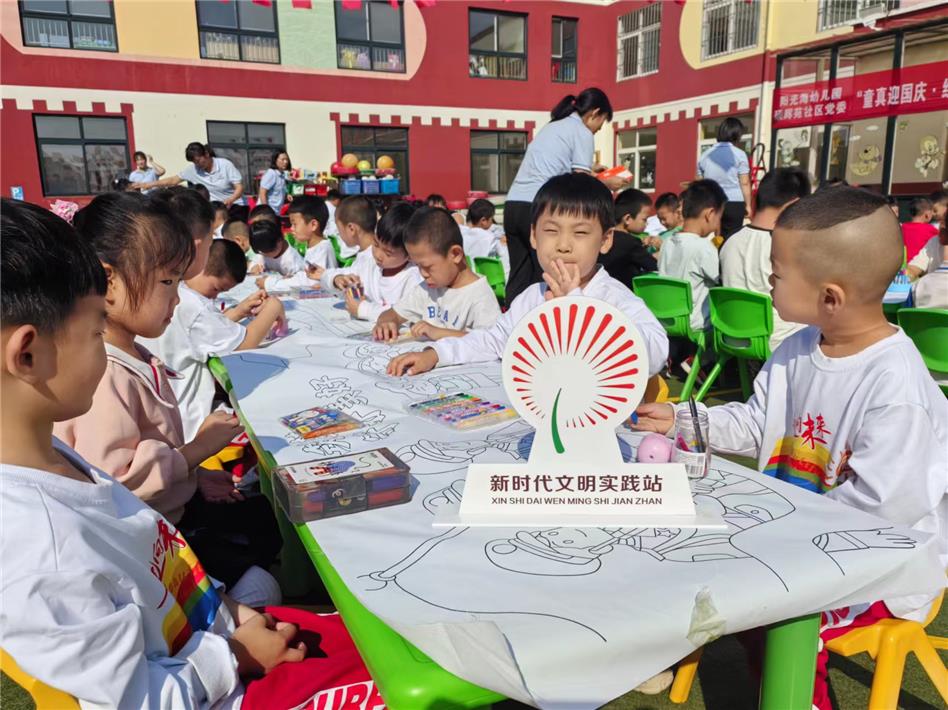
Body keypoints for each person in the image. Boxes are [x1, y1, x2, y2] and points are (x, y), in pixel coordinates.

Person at [0, 199, 383, 709]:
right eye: (94, 330)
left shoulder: (54, 463)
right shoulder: (40, 552)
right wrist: (234, 656)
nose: (103, 347)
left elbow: (163, 573)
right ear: (27, 354)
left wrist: (231, 613)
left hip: (220, 634)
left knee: (382, 637)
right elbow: (133, 700)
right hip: (227, 684)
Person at [633, 186, 947, 710]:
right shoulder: (798, 346)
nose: (767, 279)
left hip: (879, 571)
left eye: (776, 272)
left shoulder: (896, 388)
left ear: (830, 297)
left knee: (781, 618)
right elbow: (758, 422)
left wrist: (775, 530)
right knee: (705, 568)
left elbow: (882, 512)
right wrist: (688, 418)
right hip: (796, 543)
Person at [52, 192, 282, 594]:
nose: (176, 298)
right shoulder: (104, 374)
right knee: (261, 585)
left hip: (168, 519)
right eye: (167, 282)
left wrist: (193, 477)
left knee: (262, 523)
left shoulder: (132, 353)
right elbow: (118, 484)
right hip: (150, 545)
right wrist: (198, 451)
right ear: (109, 281)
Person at [386, 173, 668, 377]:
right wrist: (436, 354)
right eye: (551, 231)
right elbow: (493, 340)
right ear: (534, 236)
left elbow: (656, 352)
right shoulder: (532, 297)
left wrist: (577, 308)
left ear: (605, 240)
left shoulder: (613, 297)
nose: (564, 245)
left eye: (581, 232)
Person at [141, 238, 286, 441]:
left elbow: (197, 333)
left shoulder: (176, 292)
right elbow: (244, 344)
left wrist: (238, 311)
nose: (215, 297)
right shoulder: (193, 305)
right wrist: (273, 307)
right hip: (188, 422)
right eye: (216, 289)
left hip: (160, 414)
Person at [504, 88, 630, 302]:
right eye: (600, 124)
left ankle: (512, 314)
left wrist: (593, 170)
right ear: (595, 113)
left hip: (513, 205)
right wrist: (608, 183)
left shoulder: (553, 126)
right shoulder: (582, 131)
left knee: (519, 273)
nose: (597, 130)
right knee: (549, 274)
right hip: (542, 207)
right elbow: (580, 186)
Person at [374, 207, 500, 342]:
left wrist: (439, 332)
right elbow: (393, 313)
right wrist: (386, 322)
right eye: (418, 266)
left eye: (427, 267)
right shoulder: (427, 289)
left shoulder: (480, 297)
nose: (423, 274)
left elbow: (490, 342)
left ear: (455, 254)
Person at [720, 167, 810, 351]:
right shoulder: (785, 245)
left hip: (732, 337)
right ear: (795, 204)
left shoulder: (730, 240)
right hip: (777, 341)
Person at [658, 180, 726, 331]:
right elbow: (722, 281)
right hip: (695, 326)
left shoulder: (667, 243)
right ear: (709, 214)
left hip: (666, 321)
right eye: (719, 218)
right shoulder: (704, 247)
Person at [336, 201, 420, 322]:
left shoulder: (413, 279)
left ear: (410, 255)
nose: (378, 255)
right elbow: (341, 276)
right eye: (375, 244)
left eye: (388, 253)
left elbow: (406, 315)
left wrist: (363, 309)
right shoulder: (370, 265)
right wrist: (338, 280)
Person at [139, 142, 246, 208]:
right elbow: (173, 180)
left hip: (235, 206)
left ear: (206, 154)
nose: (197, 165)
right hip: (215, 209)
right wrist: (149, 184)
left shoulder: (225, 165)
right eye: (194, 162)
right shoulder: (193, 169)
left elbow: (239, 187)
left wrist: (231, 199)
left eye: (199, 161)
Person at [697, 117, 751, 239]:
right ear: (737, 134)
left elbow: (700, 184)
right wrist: (748, 205)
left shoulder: (705, 155)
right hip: (734, 203)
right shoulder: (740, 154)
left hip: (712, 203)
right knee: (731, 239)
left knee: (714, 239)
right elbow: (745, 182)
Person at [313, 195, 378, 288]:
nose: (339, 233)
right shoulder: (365, 253)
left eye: (339, 228)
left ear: (351, 229)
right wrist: (326, 275)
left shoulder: (375, 258)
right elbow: (352, 271)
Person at [597, 188, 657, 288]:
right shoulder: (631, 243)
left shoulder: (603, 236)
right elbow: (653, 266)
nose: (646, 223)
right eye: (644, 219)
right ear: (627, 219)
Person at [289, 195, 337, 271]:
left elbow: (312, 278)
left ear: (313, 225)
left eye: (294, 224)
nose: (291, 228)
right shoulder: (313, 246)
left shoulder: (322, 250)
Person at [913, 212, 948, 309]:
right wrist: (907, 275)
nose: (940, 225)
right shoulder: (934, 241)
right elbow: (914, 267)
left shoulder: (919, 287)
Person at [901, 196, 938, 262]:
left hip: (902, 265)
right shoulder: (930, 230)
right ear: (927, 215)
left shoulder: (901, 228)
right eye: (932, 213)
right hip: (919, 266)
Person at [258, 148, 290, 214]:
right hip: (266, 213)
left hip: (276, 212)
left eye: (286, 159)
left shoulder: (282, 175)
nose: (285, 162)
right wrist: (266, 211)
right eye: (283, 159)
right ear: (275, 160)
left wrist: (287, 195)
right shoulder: (271, 173)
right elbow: (262, 192)